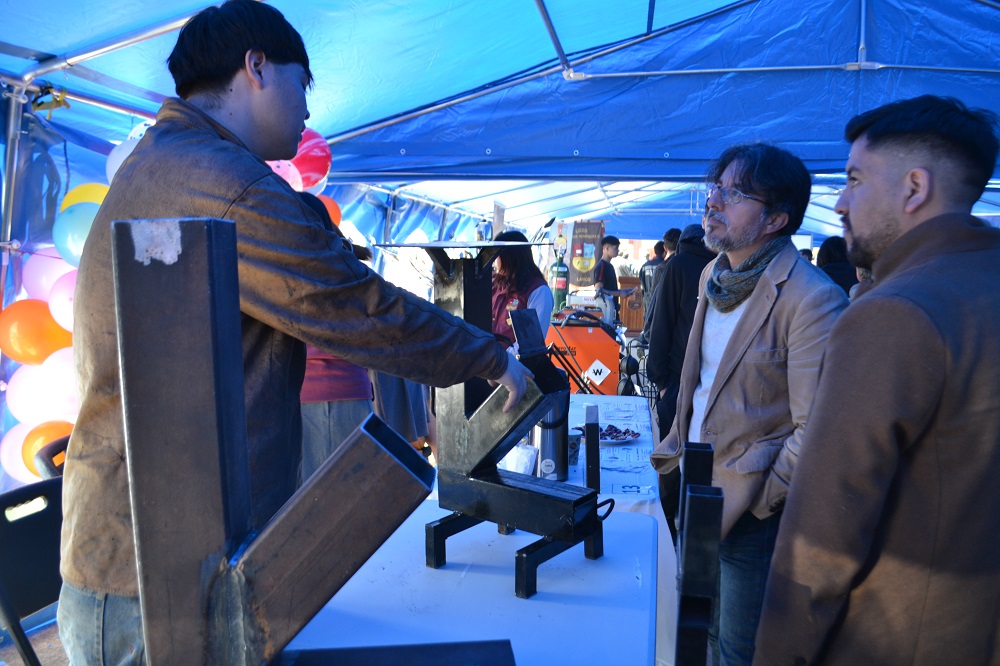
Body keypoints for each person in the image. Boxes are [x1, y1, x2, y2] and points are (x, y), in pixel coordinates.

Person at [57, 2, 531, 662]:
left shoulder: (167, 161)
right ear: (256, 67)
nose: (308, 111)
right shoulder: (224, 184)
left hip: (139, 557)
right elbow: (354, 306)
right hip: (156, 584)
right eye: (303, 84)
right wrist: (488, 357)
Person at [755, 96, 1000, 665]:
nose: (839, 202)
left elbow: (822, 537)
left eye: (854, 179)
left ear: (914, 188)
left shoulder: (894, 314)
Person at [649, 143, 848, 666]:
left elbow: (817, 429)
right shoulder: (713, 275)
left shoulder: (811, 297)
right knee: (698, 633)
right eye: (715, 188)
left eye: (734, 193)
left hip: (751, 509)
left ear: (776, 218)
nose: (713, 202)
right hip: (694, 483)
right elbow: (700, 380)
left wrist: (761, 497)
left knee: (740, 651)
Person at [644, 221, 716, 544]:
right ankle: (686, 537)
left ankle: (669, 537)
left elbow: (661, 325)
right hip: (709, 384)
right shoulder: (721, 265)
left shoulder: (677, 265)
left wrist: (659, 379)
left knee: (670, 463)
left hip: (675, 382)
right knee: (700, 466)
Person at [296, 192, 375, 482]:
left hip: (318, 394)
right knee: (353, 500)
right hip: (352, 389)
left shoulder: (309, 269)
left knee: (323, 504)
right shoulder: (349, 266)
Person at [491, 230, 553, 353]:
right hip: (488, 362)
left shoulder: (538, 290)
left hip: (516, 367)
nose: (493, 259)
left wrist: (503, 357)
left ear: (508, 256)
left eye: (495, 254)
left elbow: (532, 341)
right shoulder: (494, 283)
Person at [639, 240, 666, 312]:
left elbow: (641, 283)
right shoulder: (665, 265)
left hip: (647, 299)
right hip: (660, 300)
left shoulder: (645, 266)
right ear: (665, 250)